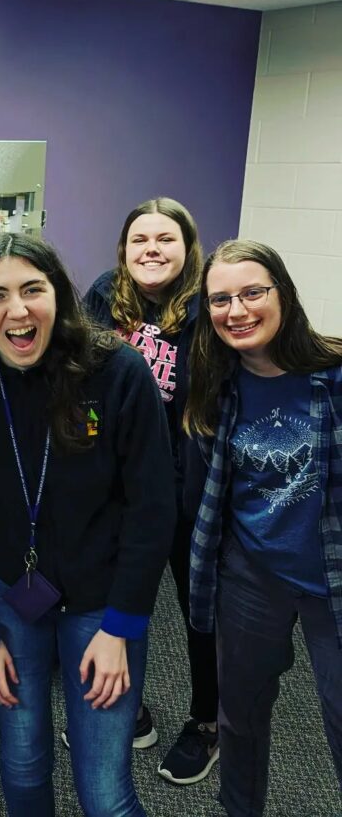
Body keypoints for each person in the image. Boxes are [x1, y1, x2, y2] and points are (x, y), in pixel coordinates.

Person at [0, 233, 175, 817]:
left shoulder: (117, 373)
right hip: (13, 601)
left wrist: (121, 629)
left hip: (102, 608)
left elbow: (152, 509)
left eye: (32, 290)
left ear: (58, 298)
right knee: (21, 763)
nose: (17, 310)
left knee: (105, 790)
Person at [184, 239, 342, 817]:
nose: (237, 310)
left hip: (330, 574)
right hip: (250, 576)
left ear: (282, 293)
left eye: (253, 292)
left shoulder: (333, 374)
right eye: (221, 299)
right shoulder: (215, 386)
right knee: (240, 715)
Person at [83, 197, 219, 785]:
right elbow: (80, 382)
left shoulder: (208, 306)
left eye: (166, 239)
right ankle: (128, 705)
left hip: (188, 489)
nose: (151, 251)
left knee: (199, 611)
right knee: (119, 598)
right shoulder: (102, 297)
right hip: (120, 489)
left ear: (188, 249)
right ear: (124, 249)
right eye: (140, 239)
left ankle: (209, 722)